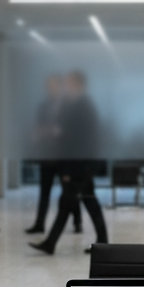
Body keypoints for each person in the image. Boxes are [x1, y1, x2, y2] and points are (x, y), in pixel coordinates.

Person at [29, 70, 107, 255]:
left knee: (69, 203)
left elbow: (81, 139)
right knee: (87, 202)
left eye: (68, 82)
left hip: (80, 165)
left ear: (78, 84)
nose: (65, 86)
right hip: (80, 164)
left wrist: (70, 169)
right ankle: (102, 241)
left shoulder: (83, 106)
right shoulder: (76, 104)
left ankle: (51, 243)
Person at [26, 74, 81, 236]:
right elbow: (38, 125)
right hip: (47, 154)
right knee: (44, 190)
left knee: (69, 191)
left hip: (63, 156)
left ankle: (77, 222)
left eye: (54, 85)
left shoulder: (69, 106)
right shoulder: (43, 105)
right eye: (48, 85)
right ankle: (39, 223)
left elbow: (70, 130)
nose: (51, 88)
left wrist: (57, 132)